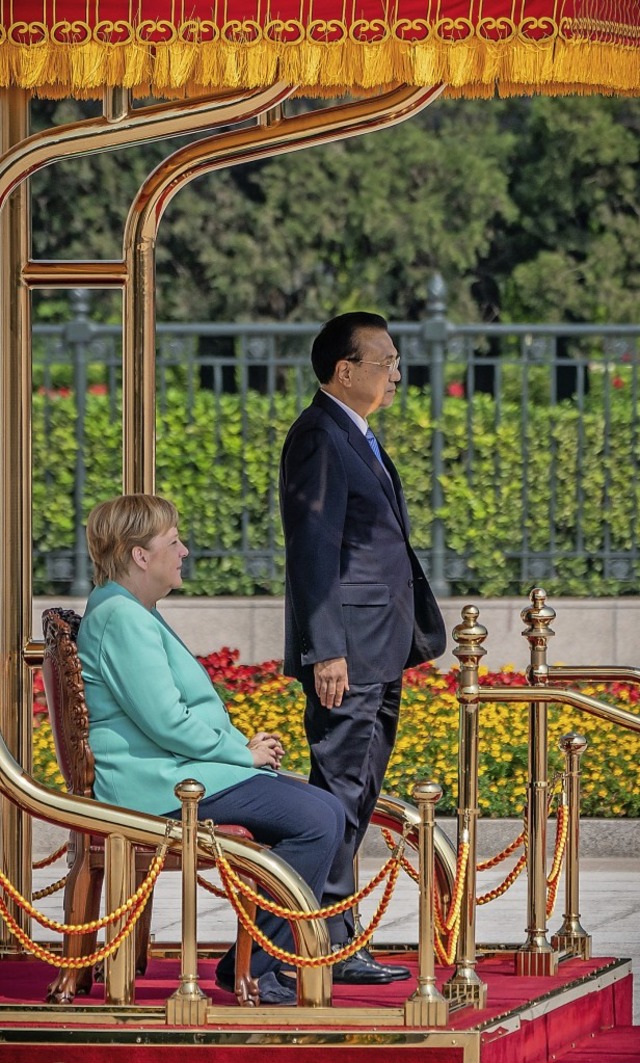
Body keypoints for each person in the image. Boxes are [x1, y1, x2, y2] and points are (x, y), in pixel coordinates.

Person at [77, 493, 350, 1006]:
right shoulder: (123, 615)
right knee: (320, 818)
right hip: (160, 784)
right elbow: (165, 721)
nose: (183, 551)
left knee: (322, 812)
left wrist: (238, 748)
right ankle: (254, 966)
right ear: (140, 555)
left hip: (180, 772)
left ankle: (256, 961)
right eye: (173, 541)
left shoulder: (128, 608)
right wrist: (242, 755)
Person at [279, 312, 446, 985]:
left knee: (355, 791)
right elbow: (314, 550)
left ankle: (335, 937)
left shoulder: (356, 433)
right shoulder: (320, 435)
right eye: (386, 361)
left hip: (378, 646)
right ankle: (307, 941)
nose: (397, 375)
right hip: (347, 651)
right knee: (338, 793)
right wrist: (326, 650)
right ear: (345, 369)